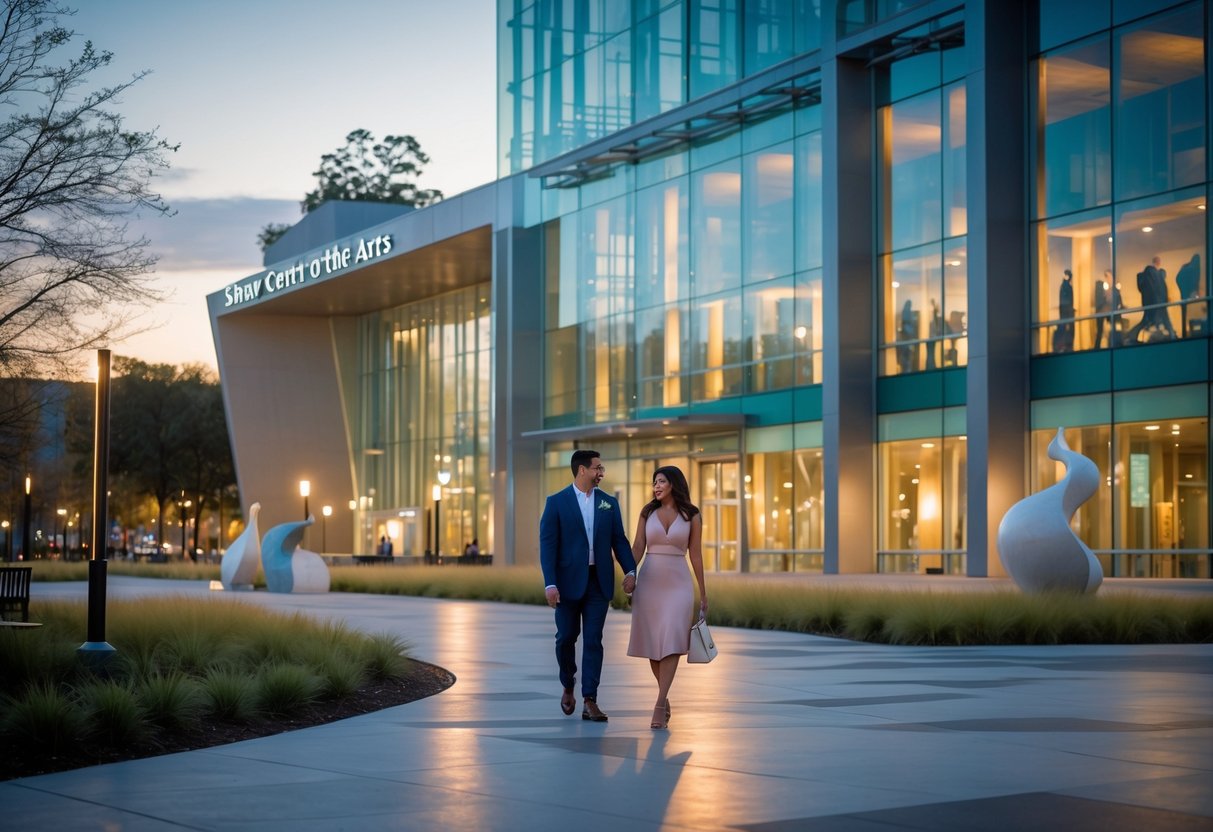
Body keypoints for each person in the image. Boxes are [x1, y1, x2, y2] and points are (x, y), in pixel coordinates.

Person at [540, 449, 637, 721]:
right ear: (582, 470)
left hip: (599, 582)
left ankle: (589, 699)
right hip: (567, 584)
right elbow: (548, 546)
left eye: (601, 468)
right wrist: (550, 584)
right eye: (597, 468)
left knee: (594, 640)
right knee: (565, 638)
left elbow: (619, 540)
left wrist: (630, 571)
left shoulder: (609, 503)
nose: (601, 473)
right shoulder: (556, 502)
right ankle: (568, 683)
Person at [627, 465, 707, 730]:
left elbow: (696, 555)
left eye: (661, 481)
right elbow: (638, 547)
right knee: (653, 644)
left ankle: (659, 704)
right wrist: (629, 573)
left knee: (672, 640)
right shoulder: (647, 512)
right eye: (654, 483)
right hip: (649, 583)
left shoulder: (692, 515)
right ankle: (665, 696)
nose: (656, 487)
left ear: (673, 483)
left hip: (679, 584)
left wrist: (703, 593)